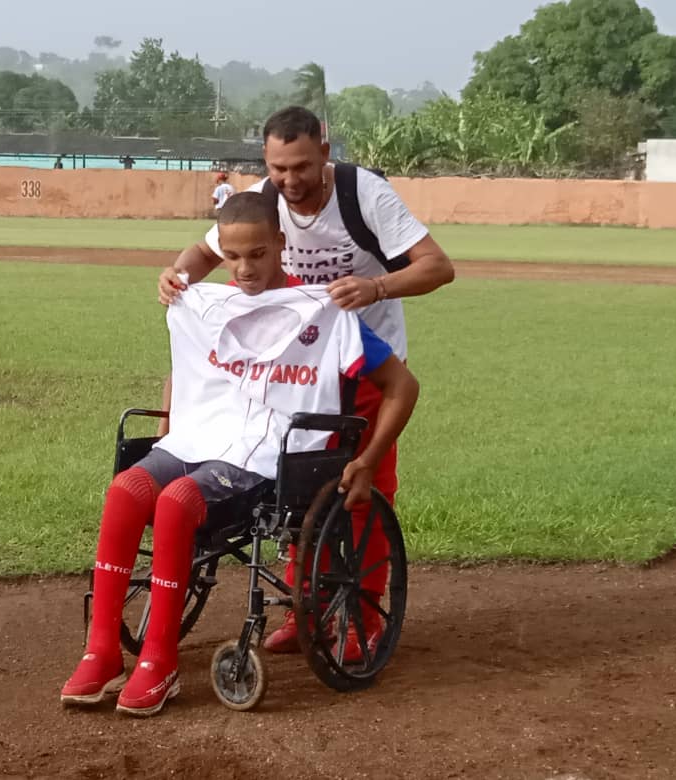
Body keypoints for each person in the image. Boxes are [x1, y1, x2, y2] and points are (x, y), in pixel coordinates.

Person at [60, 191, 419, 716]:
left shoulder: (323, 310)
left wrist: (366, 460)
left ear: (280, 245)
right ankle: (101, 651)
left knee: (179, 502)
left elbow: (401, 386)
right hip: (201, 439)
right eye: (232, 256)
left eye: (258, 254)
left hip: (271, 456)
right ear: (219, 252)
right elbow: (187, 372)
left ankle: (159, 663)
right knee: (125, 490)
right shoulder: (209, 306)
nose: (245, 268)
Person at [157, 106, 454, 657]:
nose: (289, 181)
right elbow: (204, 252)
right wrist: (178, 279)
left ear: (324, 148)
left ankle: (363, 620)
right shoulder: (265, 200)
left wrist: (377, 288)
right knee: (294, 494)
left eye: (299, 166)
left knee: (358, 497)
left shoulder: (363, 196)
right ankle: (306, 611)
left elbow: (438, 266)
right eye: (277, 168)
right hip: (290, 369)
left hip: (361, 366)